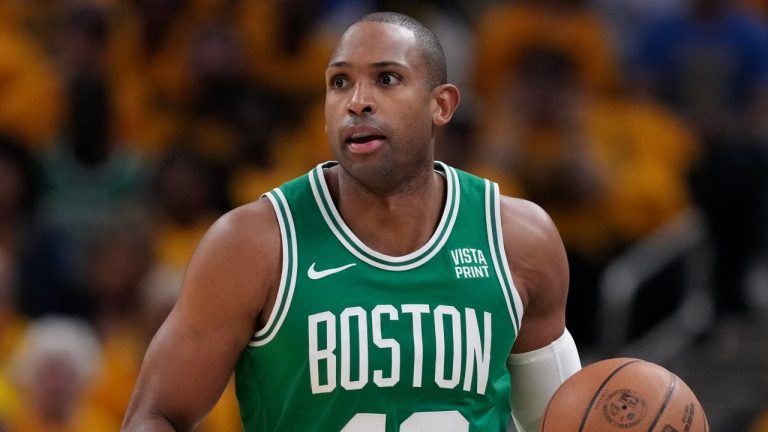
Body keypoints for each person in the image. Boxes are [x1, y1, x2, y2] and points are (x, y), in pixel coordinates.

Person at [121, 12, 581, 432]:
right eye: (340, 82)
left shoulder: (519, 239)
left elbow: (560, 419)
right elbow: (155, 415)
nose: (357, 101)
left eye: (386, 78)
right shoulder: (256, 243)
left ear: (441, 105)